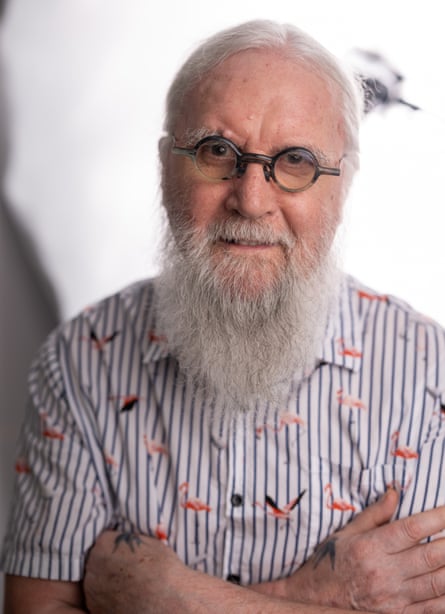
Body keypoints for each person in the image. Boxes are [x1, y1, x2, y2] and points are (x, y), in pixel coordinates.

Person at [2, 19, 445, 613]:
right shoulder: (79, 362)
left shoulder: (427, 373)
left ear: (344, 187)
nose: (251, 199)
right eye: (217, 152)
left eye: (296, 162)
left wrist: (167, 598)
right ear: (166, 168)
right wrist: (309, 599)